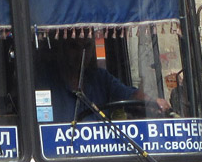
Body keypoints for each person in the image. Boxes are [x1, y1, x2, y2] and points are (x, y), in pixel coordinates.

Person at [38, 36, 169, 123]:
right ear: (61, 47)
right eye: (74, 47)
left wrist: (152, 102)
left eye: (87, 47)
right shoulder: (44, 81)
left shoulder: (100, 78)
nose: (81, 54)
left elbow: (131, 96)